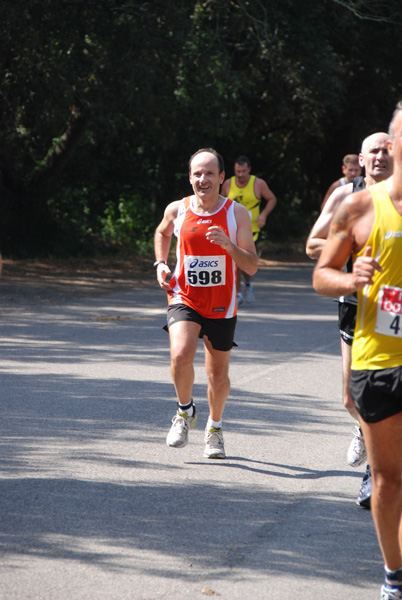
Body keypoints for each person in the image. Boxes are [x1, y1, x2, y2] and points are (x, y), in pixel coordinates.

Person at [312, 102, 402, 600]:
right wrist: (351, 278)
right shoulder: (360, 208)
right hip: (378, 361)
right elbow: (321, 274)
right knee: (388, 481)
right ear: (392, 145)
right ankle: (394, 573)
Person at [306, 131, 393, 508]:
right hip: (355, 301)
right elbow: (312, 244)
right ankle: (365, 428)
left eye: (387, 149)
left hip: (393, 305)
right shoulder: (346, 196)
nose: (380, 156)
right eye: (373, 150)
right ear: (361, 157)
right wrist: (349, 250)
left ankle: (374, 475)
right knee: (349, 397)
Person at [154, 148, 258, 459]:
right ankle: (184, 412)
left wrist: (229, 246)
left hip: (221, 304)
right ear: (190, 178)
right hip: (183, 295)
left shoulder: (236, 213)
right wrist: (160, 264)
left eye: (210, 173)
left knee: (218, 375)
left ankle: (214, 428)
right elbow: (161, 233)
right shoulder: (178, 210)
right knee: (181, 353)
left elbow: (251, 265)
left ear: (222, 178)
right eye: (197, 173)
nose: (203, 179)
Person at [221, 155, 276, 304]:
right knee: (235, 261)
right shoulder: (227, 184)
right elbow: (220, 203)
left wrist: (263, 215)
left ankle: (247, 283)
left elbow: (272, 199)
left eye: (243, 171)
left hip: (252, 230)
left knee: (246, 264)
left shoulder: (258, 183)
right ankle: (238, 294)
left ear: (249, 170)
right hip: (233, 228)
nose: (240, 175)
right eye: (237, 171)